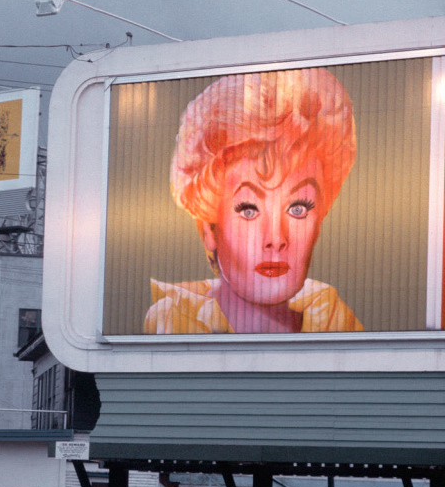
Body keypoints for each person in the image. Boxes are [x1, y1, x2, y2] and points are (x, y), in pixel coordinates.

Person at [143, 67, 363, 334]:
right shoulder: (172, 325)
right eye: (249, 210)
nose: (276, 239)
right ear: (208, 230)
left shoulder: (337, 324)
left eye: (297, 208)